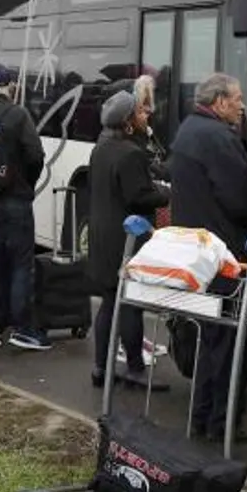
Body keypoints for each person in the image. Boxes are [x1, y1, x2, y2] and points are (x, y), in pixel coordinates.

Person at [169, 73, 247, 441]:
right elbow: (240, 199)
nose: (242, 105)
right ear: (219, 102)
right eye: (237, 99)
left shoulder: (189, 130)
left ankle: (203, 417)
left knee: (210, 339)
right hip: (228, 254)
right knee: (233, 342)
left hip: (199, 251)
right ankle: (224, 422)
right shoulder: (219, 138)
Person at [85, 90, 171, 391]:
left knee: (111, 301)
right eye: (140, 112)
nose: (146, 114)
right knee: (131, 302)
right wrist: (167, 193)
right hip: (126, 238)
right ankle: (134, 367)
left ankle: (101, 367)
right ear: (128, 121)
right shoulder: (130, 153)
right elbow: (138, 196)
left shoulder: (102, 146)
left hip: (103, 235)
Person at [0, 65, 49, 351]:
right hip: (15, 202)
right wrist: (25, 183)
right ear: (10, 86)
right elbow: (36, 155)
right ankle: (22, 328)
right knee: (19, 265)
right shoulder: (18, 115)